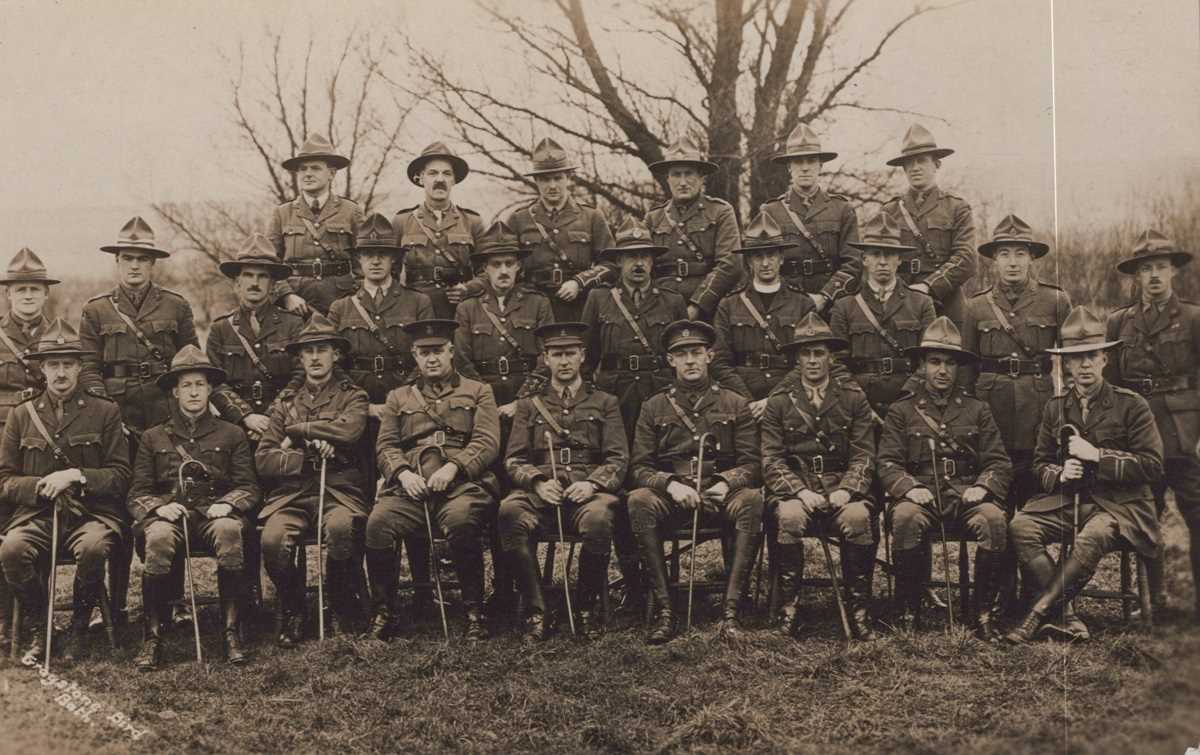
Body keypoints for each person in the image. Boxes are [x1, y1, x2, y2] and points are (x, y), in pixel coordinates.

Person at [1007, 306, 1164, 642]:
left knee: (1091, 536)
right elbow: (1039, 464)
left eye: (1092, 355)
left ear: (1105, 359)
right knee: (1021, 526)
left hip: (1122, 506)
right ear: (1065, 363)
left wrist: (1098, 456)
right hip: (1071, 499)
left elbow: (1152, 465)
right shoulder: (1056, 407)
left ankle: (1037, 615)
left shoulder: (1131, 404)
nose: (1085, 365)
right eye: (1076, 358)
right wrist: (1061, 473)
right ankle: (1066, 615)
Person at [0, 319, 131, 663]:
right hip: (38, 515)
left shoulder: (105, 411)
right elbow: (5, 480)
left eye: (68, 364)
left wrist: (76, 475)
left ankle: (78, 626)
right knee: (12, 549)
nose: (61, 373)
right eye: (54, 364)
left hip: (91, 515)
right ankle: (41, 627)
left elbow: (120, 475)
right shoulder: (21, 415)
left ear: (79, 368)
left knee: (92, 548)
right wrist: (40, 487)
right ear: (42, 369)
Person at [961, 214, 1071, 613]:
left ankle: (1033, 595)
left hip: (1038, 415)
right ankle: (998, 595)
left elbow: (1072, 362)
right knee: (995, 507)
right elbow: (966, 369)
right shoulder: (974, 307)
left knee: (1031, 507)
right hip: (990, 418)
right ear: (992, 260)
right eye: (1003, 253)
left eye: (1019, 253)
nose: (1011, 262)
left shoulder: (1055, 300)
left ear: (1031, 258)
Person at [877, 317, 1013, 638]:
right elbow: (887, 463)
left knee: (993, 519)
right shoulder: (902, 411)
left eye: (950, 363)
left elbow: (999, 462)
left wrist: (982, 487)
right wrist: (910, 488)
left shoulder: (976, 409)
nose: (942, 370)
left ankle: (982, 614)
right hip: (921, 495)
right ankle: (908, 612)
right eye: (935, 361)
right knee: (907, 519)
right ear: (922, 365)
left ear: (958, 368)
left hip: (965, 495)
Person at [627, 320, 762, 643]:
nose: (690, 360)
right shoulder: (653, 406)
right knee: (638, 501)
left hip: (719, 494)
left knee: (753, 501)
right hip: (674, 496)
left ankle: (732, 610)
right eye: (682, 354)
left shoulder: (734, 403)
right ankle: (665, 610)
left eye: (696, 352)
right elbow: (639, 467)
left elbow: (753, 463)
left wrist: (726, 482)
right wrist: (670, 484)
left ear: (710, 356)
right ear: (670, 360)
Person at [367, 320, 500, 641]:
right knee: (378, 524)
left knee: (462, 521)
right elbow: (386, 446)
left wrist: (454, 467)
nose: (432, 359)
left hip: (459, 487)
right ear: (414, 355)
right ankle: (385, 612)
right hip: (411, 487)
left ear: (451, 352)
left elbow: (487, 440)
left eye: (438, 351)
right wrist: (402, 473)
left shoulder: (478, 391)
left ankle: (473, 612)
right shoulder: (398, 397)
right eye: (424, 353)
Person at [127, 346, 259, 669]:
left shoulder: (232, 433)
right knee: (156, 536)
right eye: (187, 385)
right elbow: (136, 493)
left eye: (200, 384)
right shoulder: (153, 437)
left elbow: (250, 487)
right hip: (171, 518)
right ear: (174, 391)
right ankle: (153, 637)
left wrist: (228, 503)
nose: (194, 392)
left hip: (214, 517)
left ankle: (231, 633)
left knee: (230, 531)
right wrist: (159, 508)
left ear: (211, 388)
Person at [499, 322, 628, 641]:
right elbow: (513, 459)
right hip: (543, 493)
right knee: (509, 513)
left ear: (583, 356)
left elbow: (618, 458)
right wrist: (538, 482)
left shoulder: (606, 402)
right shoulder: (529, 406)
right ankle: (536, 610)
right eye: (557, 355)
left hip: (587, 493)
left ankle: (585, 609)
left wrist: (593, 485)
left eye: (570, 353)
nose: (564, 361)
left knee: (599, 519)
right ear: (545, 359)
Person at [255, 315, 370, 645]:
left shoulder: (353, 396)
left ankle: (338, 605)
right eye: (309, 352)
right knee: (273, 540)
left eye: (323, 350)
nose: (316, 358)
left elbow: (349, 431)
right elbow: (264, 458)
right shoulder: (285, 403)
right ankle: (294, 609)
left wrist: (297, 432)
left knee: (340, 530)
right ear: (300, 358)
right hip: (293, 494)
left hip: (339, 490)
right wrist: (303, 456)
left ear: (336, 355)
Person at [761, 313, 877, 639]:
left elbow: (864, 455)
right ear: (797, 358)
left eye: (819, 353)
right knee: (789, 516)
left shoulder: (853, 398)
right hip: (798, 490)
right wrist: (799, 491)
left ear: (831, 356)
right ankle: (789, 610)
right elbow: (771, 459)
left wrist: (847, 490)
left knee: (857, 517)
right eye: (806, 353)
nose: (813, 361)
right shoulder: (779, 403)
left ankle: (859, 611)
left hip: (841, 486)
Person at [1104, 229, 1199, 622]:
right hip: (1141, 436)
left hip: (1185, 434)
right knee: (1144, 517)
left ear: (1173, 272)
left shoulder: (1194, 318)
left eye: (1161, 267)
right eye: (1147, 269)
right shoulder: (1119, 322)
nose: (1155, 275)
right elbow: (1114, 386)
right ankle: (1154, 603)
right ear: (1136, 276)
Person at [79, 216, 200, 444]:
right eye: (127, 258)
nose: (134, 266)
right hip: (117, 407)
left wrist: (181, 408)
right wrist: (106, 411)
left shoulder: (176, 305)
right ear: (117, 261)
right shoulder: (96, 309)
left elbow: (192, 364)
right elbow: (87, 368)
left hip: (165, 407)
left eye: (142, 259)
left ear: (153, 263)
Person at [0, 248, 57, 657]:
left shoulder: (58, 337)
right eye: (20, 289)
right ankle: (6, 621)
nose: (27, 296)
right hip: (3, 443)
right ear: (8, 295)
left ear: (45, 294)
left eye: (34, 289)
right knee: (5, 531)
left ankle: (42, 618)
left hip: (45, 447)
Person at [711, 213, 814, 418]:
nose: (765, 263)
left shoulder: (802, 303)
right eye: (758, 256)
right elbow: (719, 361)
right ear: (749, 260)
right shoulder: (729, 304)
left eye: (771, 255)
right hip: (740, 402)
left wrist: (775, 399)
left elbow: (807, 359)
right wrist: (746, 401)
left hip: (789, 399)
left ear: (781, 258)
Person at [505, 137, 615, 323]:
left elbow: (611, 264)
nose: (552, 185)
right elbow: (505, 264)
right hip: (532, 307)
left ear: (568, 178)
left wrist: (579, 282)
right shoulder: (519, 219)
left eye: (558, 178)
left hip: (581, 305)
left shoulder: (591, 217)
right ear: (536, 181)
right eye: (545, 179)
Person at [208, 234, 305, 440]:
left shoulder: (293, 324)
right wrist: (246, 416)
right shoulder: (221, 328)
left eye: (262, 276)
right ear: (237, 283)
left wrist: (272, 417)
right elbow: (213, 382)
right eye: (248, 275)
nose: (255, 283)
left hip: (284, 424)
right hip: (234, 427)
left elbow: (301, 376)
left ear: (272, 285)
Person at [455, 219, 553, 416]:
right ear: (485, 269)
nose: (503, 271)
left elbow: (548, 357)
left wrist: (522, 401)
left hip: (528, 396)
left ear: (518, 267)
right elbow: (462, 361)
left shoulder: (538, 303)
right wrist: (485, 399)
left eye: (509, 264)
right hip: (481, 398)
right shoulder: (467, 308)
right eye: (496, 264)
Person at [881, 124, 976, 325]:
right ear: (904, 168)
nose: (915, 167)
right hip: (899, 300)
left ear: (936, 164)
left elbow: (966, 259)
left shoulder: (956, 207)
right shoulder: (889, 211)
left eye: (922, 161)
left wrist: (929, 286)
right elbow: (878, 259)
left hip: (945, 302)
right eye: (909, 163)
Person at [759, 124, 860, 311]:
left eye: (811, 161)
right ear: (789, 167)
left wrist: (825, 296)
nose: (805, 168)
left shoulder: (842, 210)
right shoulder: (771, 212)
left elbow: (854, 263)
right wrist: (789, 300)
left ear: (820, 165)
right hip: (785, 304)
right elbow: (761, 264)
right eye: (798, 162)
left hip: (834, 304)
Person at [644, 134, 741, 320]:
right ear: (668, 179)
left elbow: (730, 264)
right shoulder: (653, 218)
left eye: (688, 174)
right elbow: (645, 266)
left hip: (709, 307)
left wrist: (698, 305)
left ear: (701, 177)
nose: (682, 182)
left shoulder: (720, 211)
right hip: (661, 306)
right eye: (676, 175)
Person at [268, 133, 363, 317]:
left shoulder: (351, 211)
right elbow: (270, 263)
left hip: (341, 301)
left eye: (315, 168)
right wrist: (286, 295)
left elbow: (363, 263)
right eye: (303, 169)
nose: (308, 174)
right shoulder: (282, 213)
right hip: (296, 305)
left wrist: (356, 299)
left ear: (332, 173)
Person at [393, 142, 485, 319]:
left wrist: (468, 289)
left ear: (454, 180)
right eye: (432, 173)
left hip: (461, 311)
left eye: (447, 174)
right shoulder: (402, 221)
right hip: (415, 312)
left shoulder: (472, 222)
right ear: (420, 178)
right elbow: (390, 273)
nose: (440, 180)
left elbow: (488, 272)